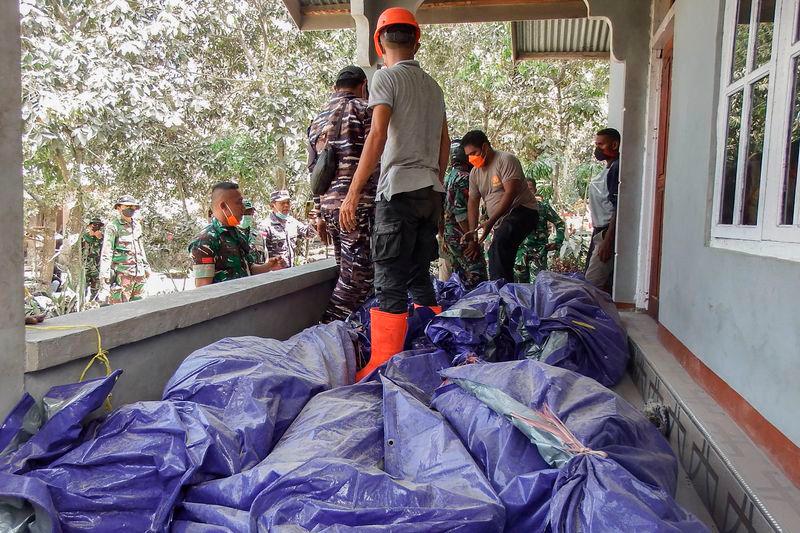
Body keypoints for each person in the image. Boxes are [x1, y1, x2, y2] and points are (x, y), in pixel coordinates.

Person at [338, 7, 450, 378]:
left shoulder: (386, 79)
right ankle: (431, 346)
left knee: (389, 276)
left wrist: (353, 192)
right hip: (430, 191)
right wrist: (436, 183)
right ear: (417, 40)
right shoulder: (434, 88)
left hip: (399, 191)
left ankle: (383, 365)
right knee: (419, 272)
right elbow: (444, 144)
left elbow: (378, 135)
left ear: (379, 43)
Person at [308, 65, 378, 322]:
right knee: (357, 278)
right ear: (363, 86)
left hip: (329, 208)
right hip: (356, 207)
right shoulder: (364, 110)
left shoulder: (317, 119)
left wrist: (318, 213)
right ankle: (326, 328)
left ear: (335, 88)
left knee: (346, 271)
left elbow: (314, 171)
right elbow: (375, 155)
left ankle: (352, 334)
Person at [460, 130, 538, 282]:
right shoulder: (475, 174)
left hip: (523, 211)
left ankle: (500, 291)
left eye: (474, 153)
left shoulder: (506, 160)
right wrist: (473, 236)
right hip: (501, 219)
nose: (471, 158)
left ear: (485, 147)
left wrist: (491, 222)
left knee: (499, 243)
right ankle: (506, 292)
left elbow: (510, 193)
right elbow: (473, 203)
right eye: (468, 155)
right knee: (499, 253)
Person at [188, 182, 285, 287]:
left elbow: (249, 269)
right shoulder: (205, 241)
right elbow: (203, 289)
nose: (243, 208)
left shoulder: (237, 234)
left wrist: (268, 266)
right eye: (239, 203)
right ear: (223, 206)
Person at [443, 140, 487, 289]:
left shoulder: (448, 178)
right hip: (462, 235)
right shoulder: (465, 178)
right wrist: (471, 240)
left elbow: (441, 209)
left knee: (459, 279)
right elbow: (460, 212)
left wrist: (442, 235)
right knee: (478, 278)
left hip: (450, 235)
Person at [585, 127, 621, 292]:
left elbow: (618, 206)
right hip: (599, 232)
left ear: (614, 145)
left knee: (593, 284)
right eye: (596, 144)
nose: (597, 148)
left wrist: (608, 240)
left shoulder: (616, 169)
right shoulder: (608, 168)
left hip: (606, 232)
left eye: (601, 144)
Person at [99, 195, 151, 304]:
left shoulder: (137, 225)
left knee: (140, 309)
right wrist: (104, 276)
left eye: (132, 207)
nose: (130, 209)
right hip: (122, 275)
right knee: (121, 311)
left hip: (139, 274)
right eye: (127, 206)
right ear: (118, 208)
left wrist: (146, 267)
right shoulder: (113, 226)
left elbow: (140, 247)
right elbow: (106, 252)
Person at [513, 179, 565, 283]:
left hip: (538, 253)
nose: (527, 192)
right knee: (519, 288)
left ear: (535, 190)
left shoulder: (543, 207)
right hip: (520, 253)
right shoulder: (514, 208)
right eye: (524, 189)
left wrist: (558, 241)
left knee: (538, 285)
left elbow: (560, 223)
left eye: (530, 189)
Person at [262, 190, 316, 267]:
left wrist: (313, 221)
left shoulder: (292, 222)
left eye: (288, 202)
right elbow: (261, 257)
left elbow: (308, 234)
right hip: (275, 274)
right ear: (272, 205)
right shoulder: (265, 226)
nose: (286, 205)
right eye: (282, 203)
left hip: (291, 271)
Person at [81, 217, 105, 299]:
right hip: (85, 268)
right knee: (83, 290)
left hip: (97, 268)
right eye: (94, 225)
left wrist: (101, 239)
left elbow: (107, 250)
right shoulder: (84, 237)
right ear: (89, 226)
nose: (96, 227)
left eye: (98, 225)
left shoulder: (103, 238)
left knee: (96, 291)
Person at [239, 199, 265, 264]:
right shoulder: (228, 235)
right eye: (245, 213)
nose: (247, 216)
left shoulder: (258, 236)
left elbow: (264, 258)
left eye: (250, 213)